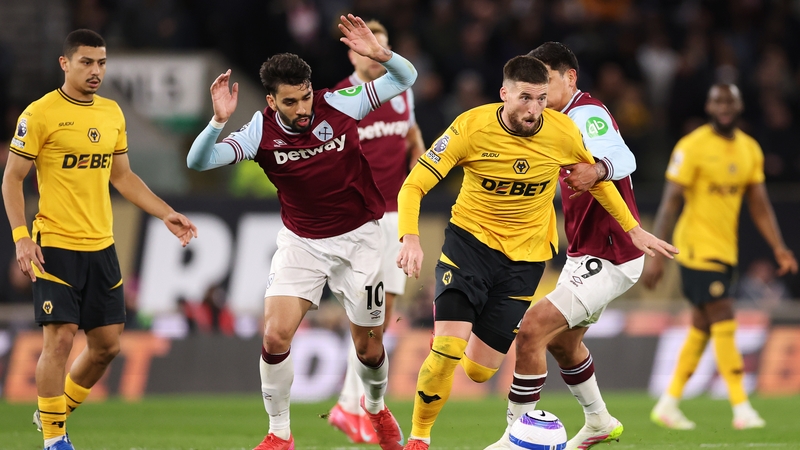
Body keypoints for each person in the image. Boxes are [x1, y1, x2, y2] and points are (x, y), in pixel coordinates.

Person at [396, 55, 677, 450]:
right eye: (525, 98)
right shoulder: (471, 126)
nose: (534, 109)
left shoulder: (565, 129)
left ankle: (597, 420)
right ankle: (421, 438)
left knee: (479, 371)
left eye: (541, 99)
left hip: (524, 261)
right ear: (504, 94)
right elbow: (414, 185)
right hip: (469, 246)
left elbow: (602, 179)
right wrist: (409, 237)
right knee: (451, 349)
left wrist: (633, 228)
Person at [186, 14, 417, 450]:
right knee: (274, 336)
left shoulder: (342, 103)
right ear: (271, 101)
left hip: (361, 240)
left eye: (306, 97)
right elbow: (198, 162)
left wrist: (380, 54)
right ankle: (280, 434)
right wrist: (217, 121)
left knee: (369, 349)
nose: (303, 109)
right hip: (302, 243)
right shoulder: (259, 131)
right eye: (290, 102)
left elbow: (406, 78)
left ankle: (374, 406)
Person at [2, 29, 197, 450]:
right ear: (65, 63)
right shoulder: (40, 114)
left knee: (107, 347)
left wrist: (165, 212)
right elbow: (12, 179)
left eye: (102, 63)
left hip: (101, 246)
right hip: (55, 244)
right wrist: (21, 237)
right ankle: (55, 439)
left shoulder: (111, 113)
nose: (96, 71)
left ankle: (53, 411)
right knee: (60, 338)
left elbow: (123, 177)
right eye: (87, 62)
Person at [484, 41, 654, 450]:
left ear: (570, 77)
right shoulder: (550, 122)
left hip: (612, 252)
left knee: (531, 330)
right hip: (585, 251)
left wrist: (598, 169)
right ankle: (598, 421)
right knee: (563, 342)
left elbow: (623, 157)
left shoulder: (585, 113)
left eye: (546, 80)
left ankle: (515, 438)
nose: (539, 92)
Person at [643, 83, 797, 430]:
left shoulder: (749, 149)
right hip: (696, 249)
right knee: (724, 317)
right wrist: (657, 254)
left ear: (739, 106)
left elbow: (759, 205)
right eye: (718, 101)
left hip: (726, 250)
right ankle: (741, 407)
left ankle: (668, 403)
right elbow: (670, 202)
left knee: (701, 326)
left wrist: (779, 247)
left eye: (730, 101)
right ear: (709, 107)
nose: (724, 107)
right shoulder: (692, 146)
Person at [327, 19, 426, 445]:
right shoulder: (341, 99)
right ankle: (351, 407)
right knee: (368, 317)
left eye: (381, 48)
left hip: (396, 217)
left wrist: (421, 165)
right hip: (361, 220)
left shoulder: (401, 91)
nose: (375, 55)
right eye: (366, 47)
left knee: (382, 318)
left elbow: (412, 135)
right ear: (352, 52)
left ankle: (350, 407)